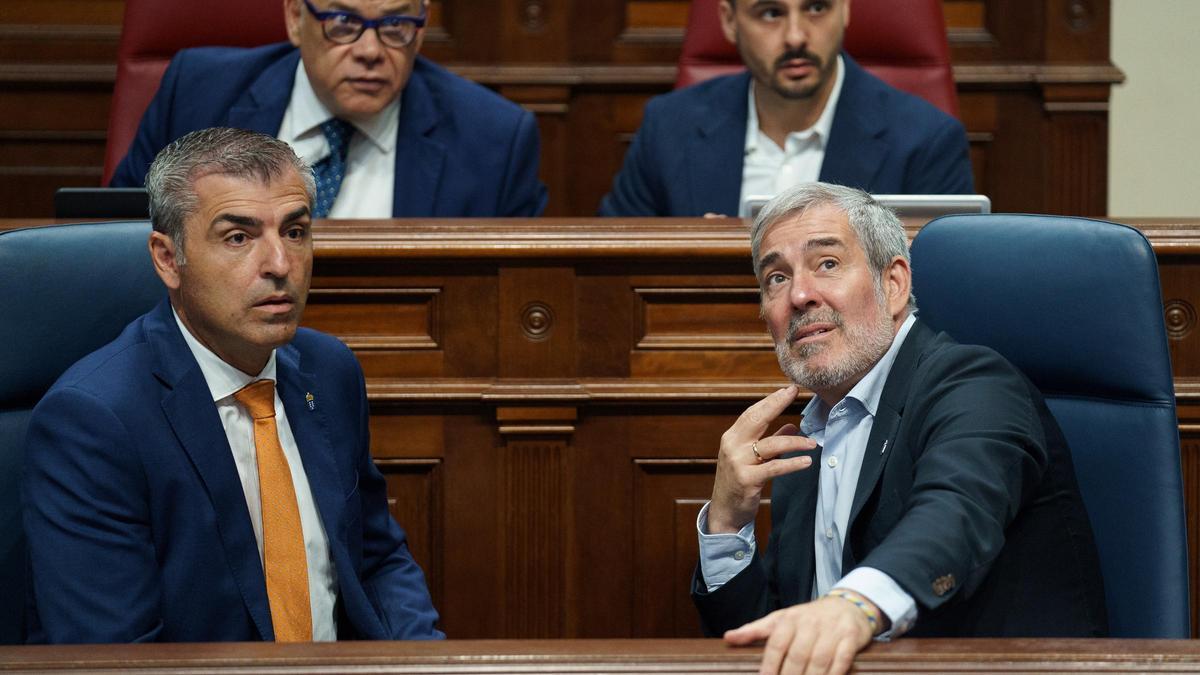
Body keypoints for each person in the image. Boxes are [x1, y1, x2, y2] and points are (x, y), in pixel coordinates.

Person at [24, 127, 442, 643]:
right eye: (238, 237)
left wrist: (424, 660)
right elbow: (118, 655)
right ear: (167, 258)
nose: (280, 266)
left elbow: (376, 559)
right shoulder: (94, 421)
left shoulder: (329, 371)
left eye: (294, 231)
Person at [692, 182, 1106, 674]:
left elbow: (956, 511)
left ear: (893, 284)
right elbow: (774, 641)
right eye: (776, 278)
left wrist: (854, 607)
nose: (800, 295)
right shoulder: (804, 444)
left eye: (827, 263)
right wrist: (725, 525)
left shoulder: (974, 383)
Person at [109, 0, 547, 219]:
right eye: (344, 24)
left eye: (396, 26)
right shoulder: (197, 94)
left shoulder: (494, 140)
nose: (371, 50)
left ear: (424, 25)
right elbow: (113, 244)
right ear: (296, 18)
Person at [600, 0, 973, 217]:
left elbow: (937, 297)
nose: (796, 36)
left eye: (815, 8)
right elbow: (615, 273)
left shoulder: (926, 140)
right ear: (729, 21)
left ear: (844, 9)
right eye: (770, 13)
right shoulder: (668, 127)